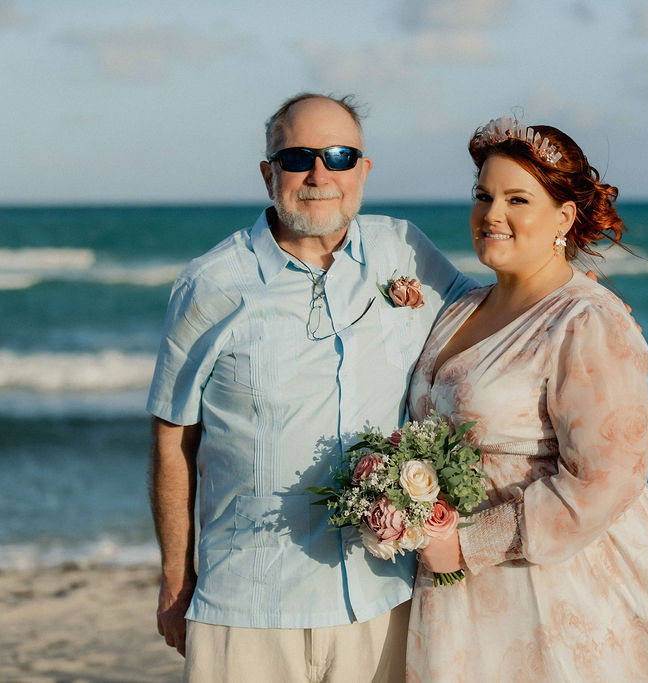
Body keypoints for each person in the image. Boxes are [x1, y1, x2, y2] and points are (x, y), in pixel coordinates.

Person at [406, 118, 648, 681]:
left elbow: (609, 478)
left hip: (552, 578)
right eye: (483, 195)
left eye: (518, 199)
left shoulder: (587, 319)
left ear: (562, 218)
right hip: (452, 585)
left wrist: (468, 545)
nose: (492, 214)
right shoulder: (459, 308)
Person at [146, 93, 475, 682]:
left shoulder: (402, 248)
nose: (320, 174)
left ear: (364, 170)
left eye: (340, 155)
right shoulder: (211, 284)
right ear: (268, 173)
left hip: (382, 596)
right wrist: (176, 577)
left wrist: (579, 302)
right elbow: (173, 436)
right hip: (247, 607)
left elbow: (489, 316)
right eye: (297, 157)